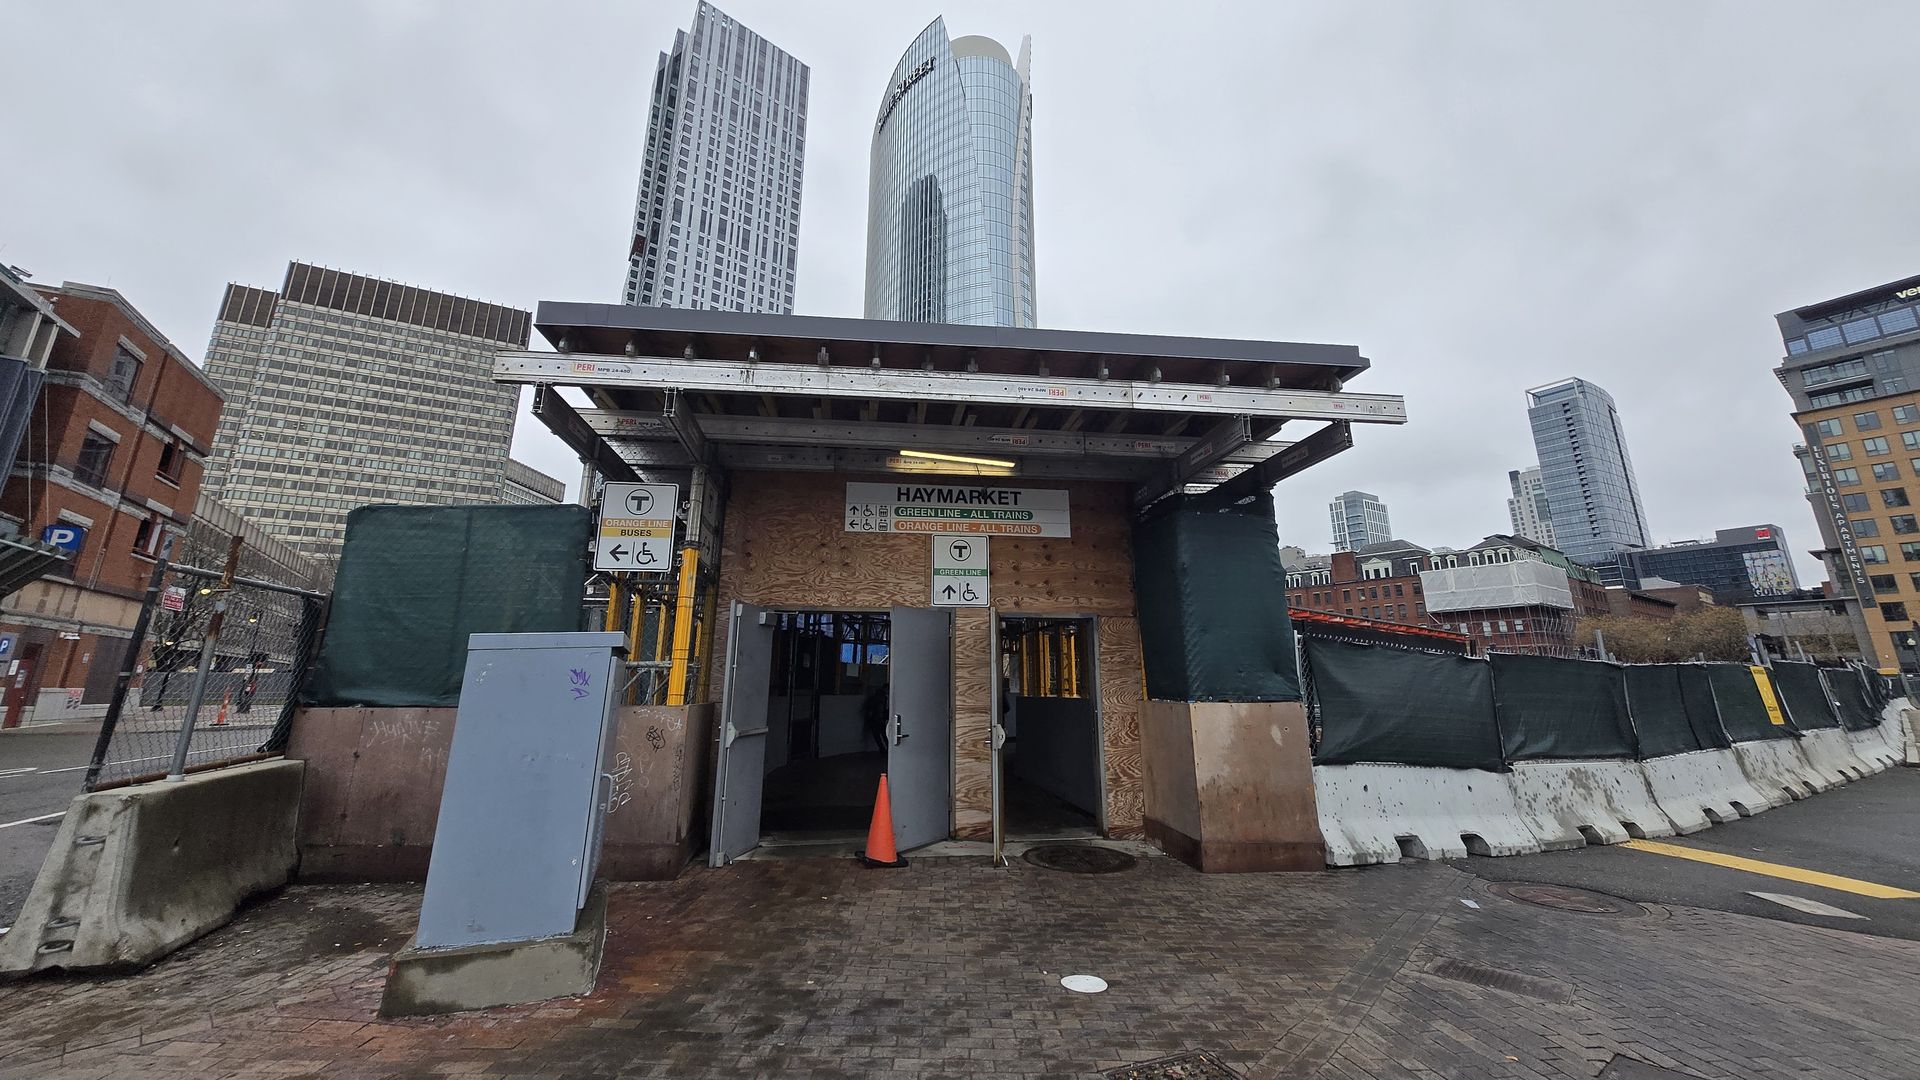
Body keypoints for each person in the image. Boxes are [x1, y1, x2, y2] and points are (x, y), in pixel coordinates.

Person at [861, 683, 890, 759]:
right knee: (884, 735)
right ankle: (887, 749)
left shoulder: (876, 696)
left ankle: (883, 749)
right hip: (878, 719)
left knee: (878, 736)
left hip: (875, 719)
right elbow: (880, 709)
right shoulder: (882, 697)